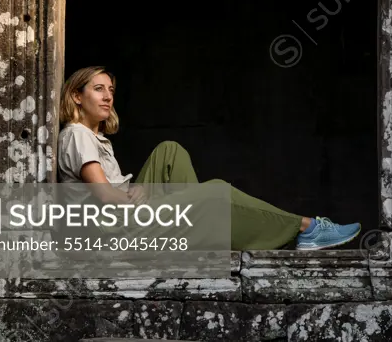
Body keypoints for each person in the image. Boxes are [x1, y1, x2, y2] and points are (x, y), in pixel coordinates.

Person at [56, 65, 361, 250]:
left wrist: (137, 188)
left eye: (110, 89)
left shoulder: (94, 136)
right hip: (115, 228)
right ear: (76, 96)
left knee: (169, 151)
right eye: (98, 89)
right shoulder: (77, 133)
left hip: (124, 215)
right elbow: (105, 198)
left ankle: (196, 229)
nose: (108, 96)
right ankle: (306, 228)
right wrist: (128, 196)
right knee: (216, 192)